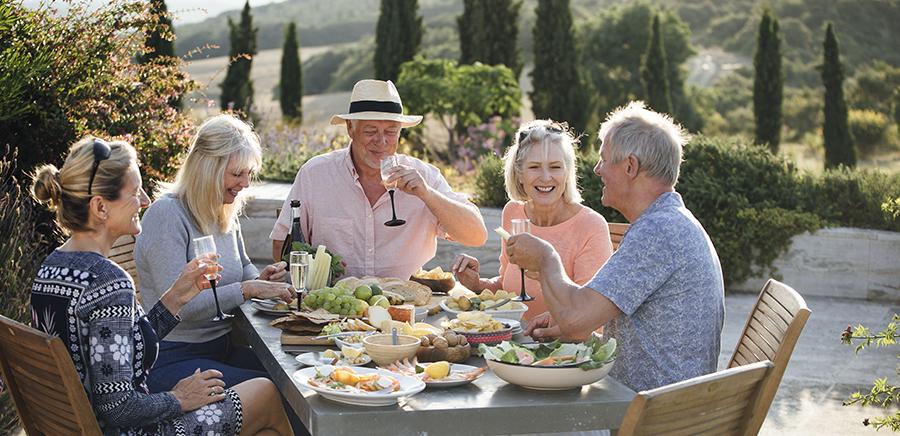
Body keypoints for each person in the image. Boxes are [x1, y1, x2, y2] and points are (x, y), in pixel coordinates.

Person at [30, 136, 293, 436]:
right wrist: (179, 398)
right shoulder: (109, 282)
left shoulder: (50, 268)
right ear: (100, 207)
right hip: (133, 430)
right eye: (134, 192)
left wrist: (176, 298)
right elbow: (118, 408)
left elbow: (120, 351)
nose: (144, 200)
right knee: (266, 393)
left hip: (84, 426)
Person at [508, 101, 725, 393]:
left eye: (604, 160)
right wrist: (573, 329)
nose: (597, 170)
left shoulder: (658, 232)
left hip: (648, 413)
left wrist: (546, 257)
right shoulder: (667, 222)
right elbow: (624, 332)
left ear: (630, 167)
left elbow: (574, 318)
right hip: (658, 400)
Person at [135, 114, 297, 393]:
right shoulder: (167, 216)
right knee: (280, 391)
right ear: (206, 169)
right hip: (171, 358)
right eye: (237, 174)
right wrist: (247, 289)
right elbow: (181, 307)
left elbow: (242, 265)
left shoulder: (221, 210)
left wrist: (262, 280)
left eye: (249, 173)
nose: (246, 183)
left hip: (219, 349)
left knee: (298, 375)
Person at [270, 79, 488, 280]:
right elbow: (281, 248)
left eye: (391, 131)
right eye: (371, 131)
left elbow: (477, 236)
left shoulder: (425, 176)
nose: (382, 141)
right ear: (350, 129)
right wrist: (321, 265)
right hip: (333, 309)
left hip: (409, 310)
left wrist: (427, 194)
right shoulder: (315, 174)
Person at [450, 120, 613, 321]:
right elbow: (507, 288)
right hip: (510, 341)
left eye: (555, 167)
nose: (545, 178)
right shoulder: (513, 212)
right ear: (519, 173)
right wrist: (478, 285)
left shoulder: (591, 227)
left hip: (562, 348)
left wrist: (546, 272)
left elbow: (590, 315)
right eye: (535, 167)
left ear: (568, 172)